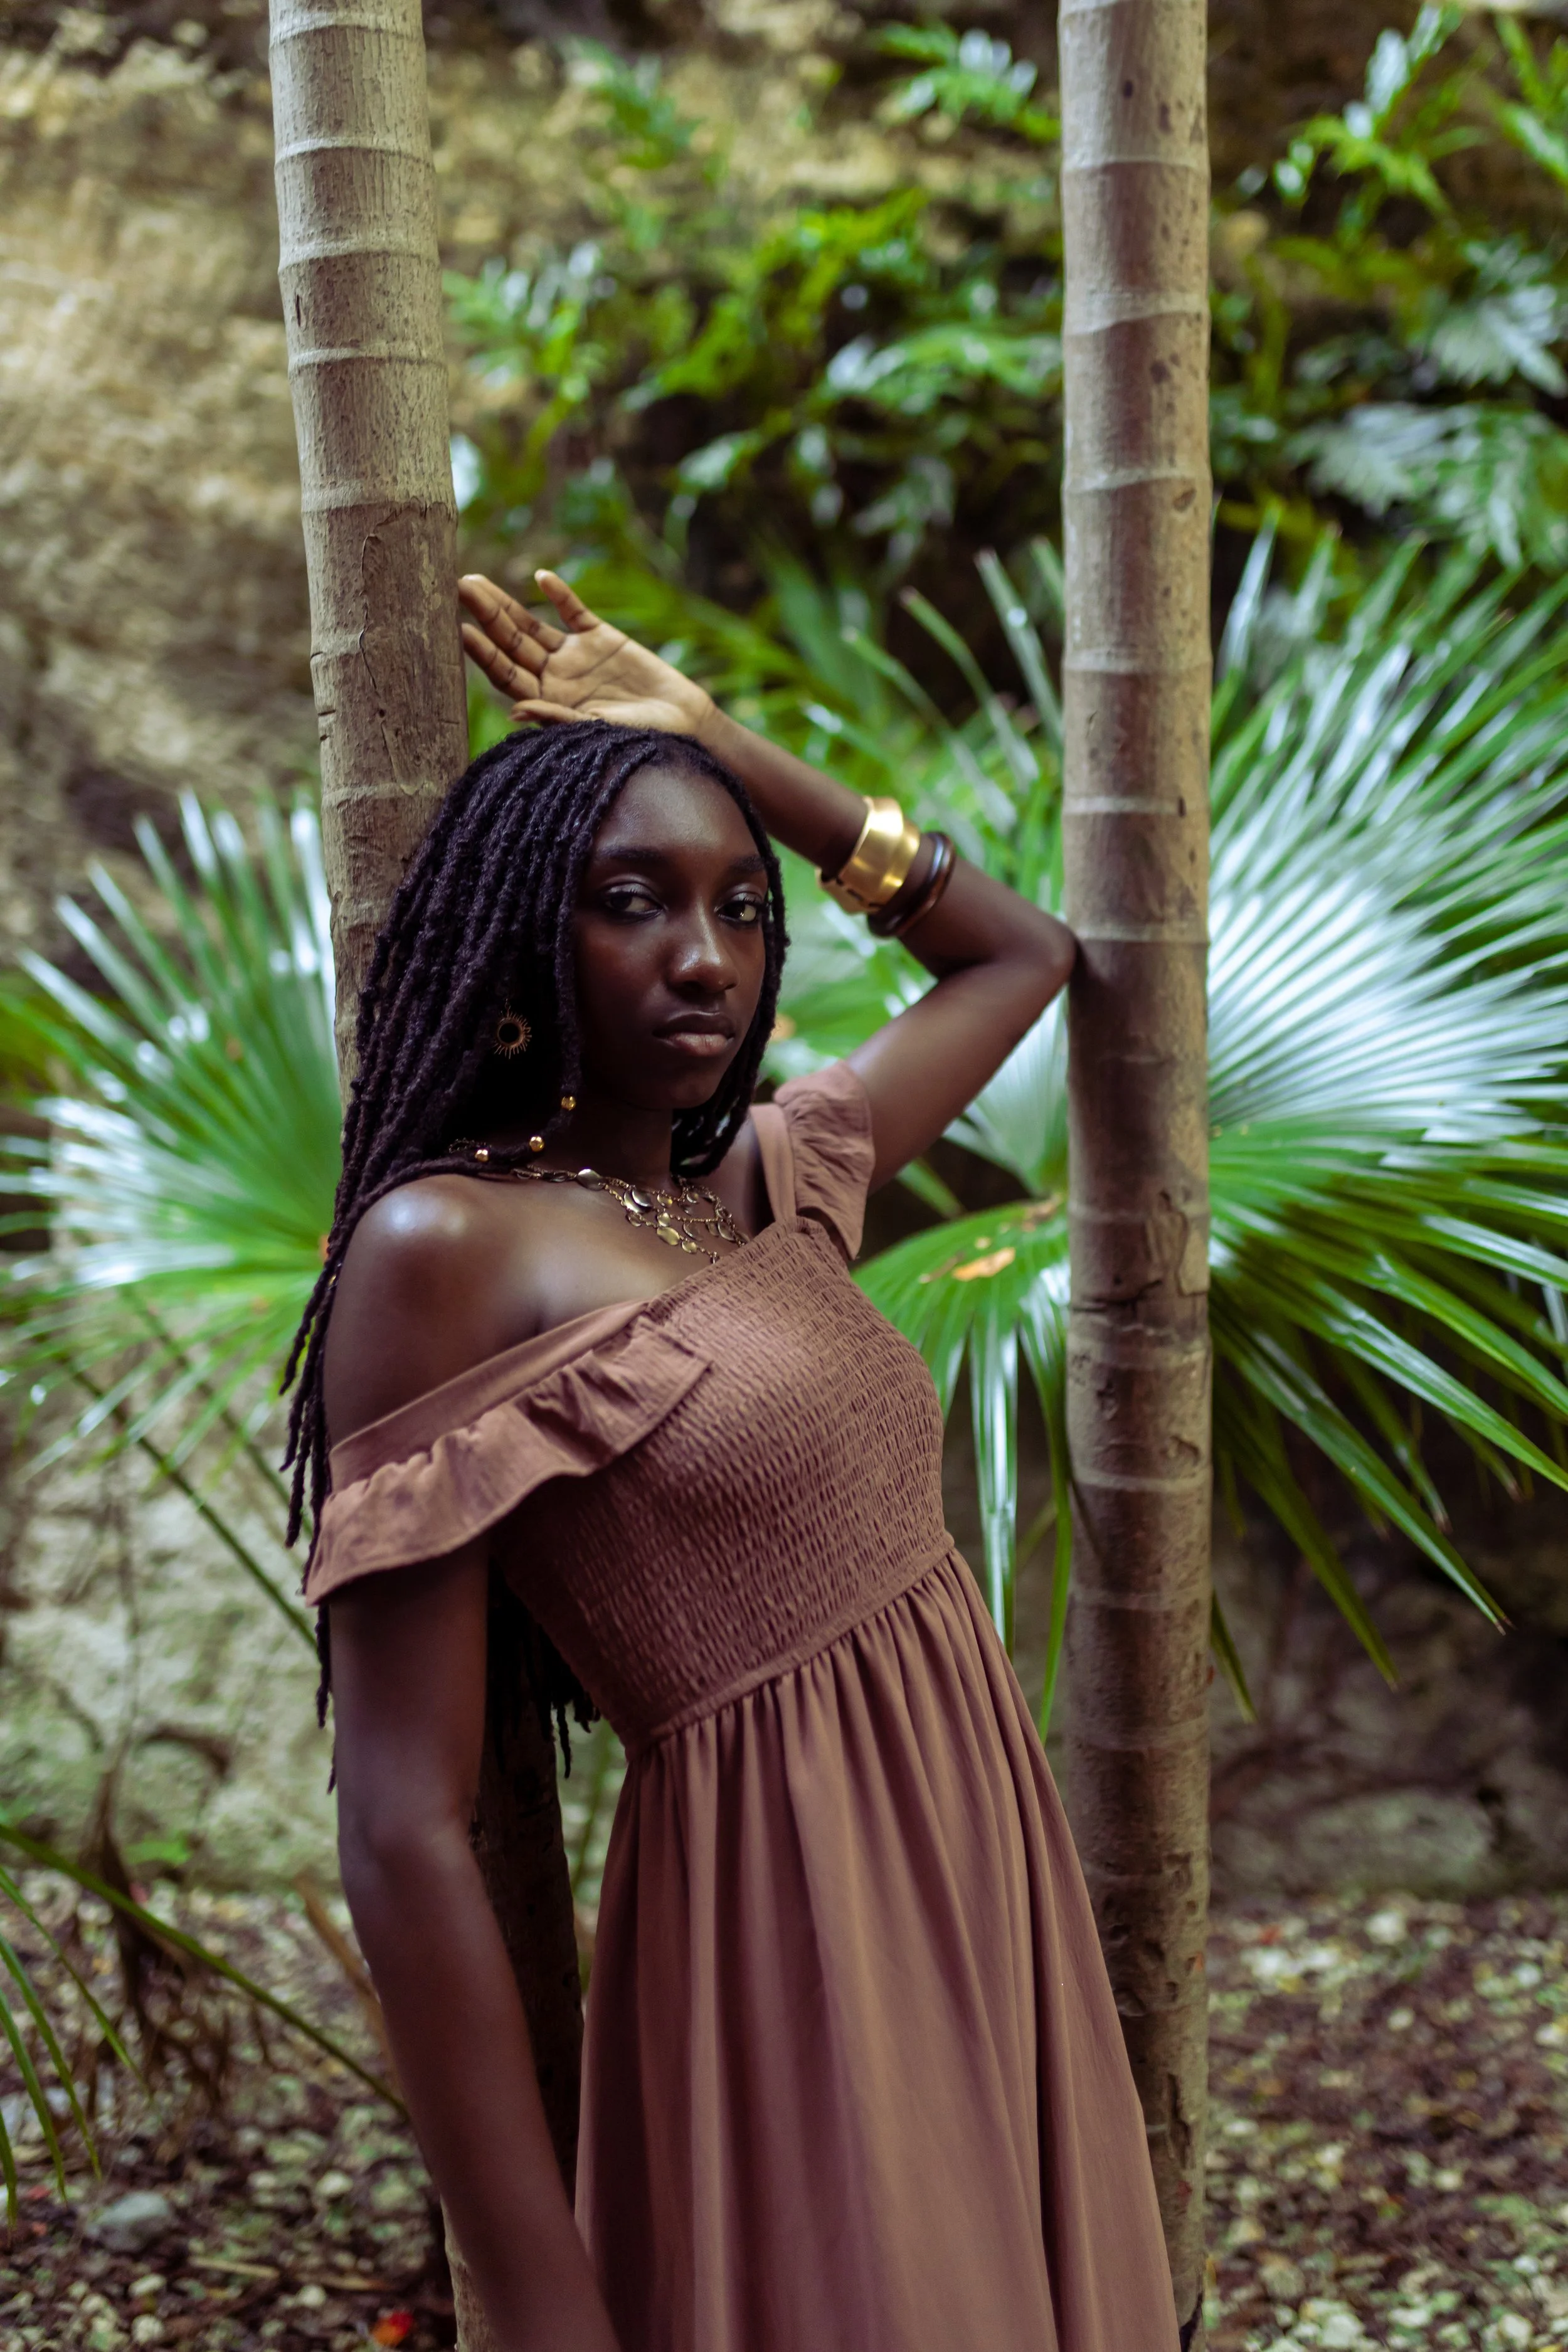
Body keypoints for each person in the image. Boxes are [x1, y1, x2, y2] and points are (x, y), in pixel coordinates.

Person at [283, 569, 1180, 2352]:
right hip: (787, 1939)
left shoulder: (767, 1188)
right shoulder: (443, 1250)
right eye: (635, 904)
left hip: (977, 1887)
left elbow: (1020, 952)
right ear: (529, 939)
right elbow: (398, 1822)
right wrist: (542, 2300)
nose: (704, 954)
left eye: (741, 912)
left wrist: (717, 742)